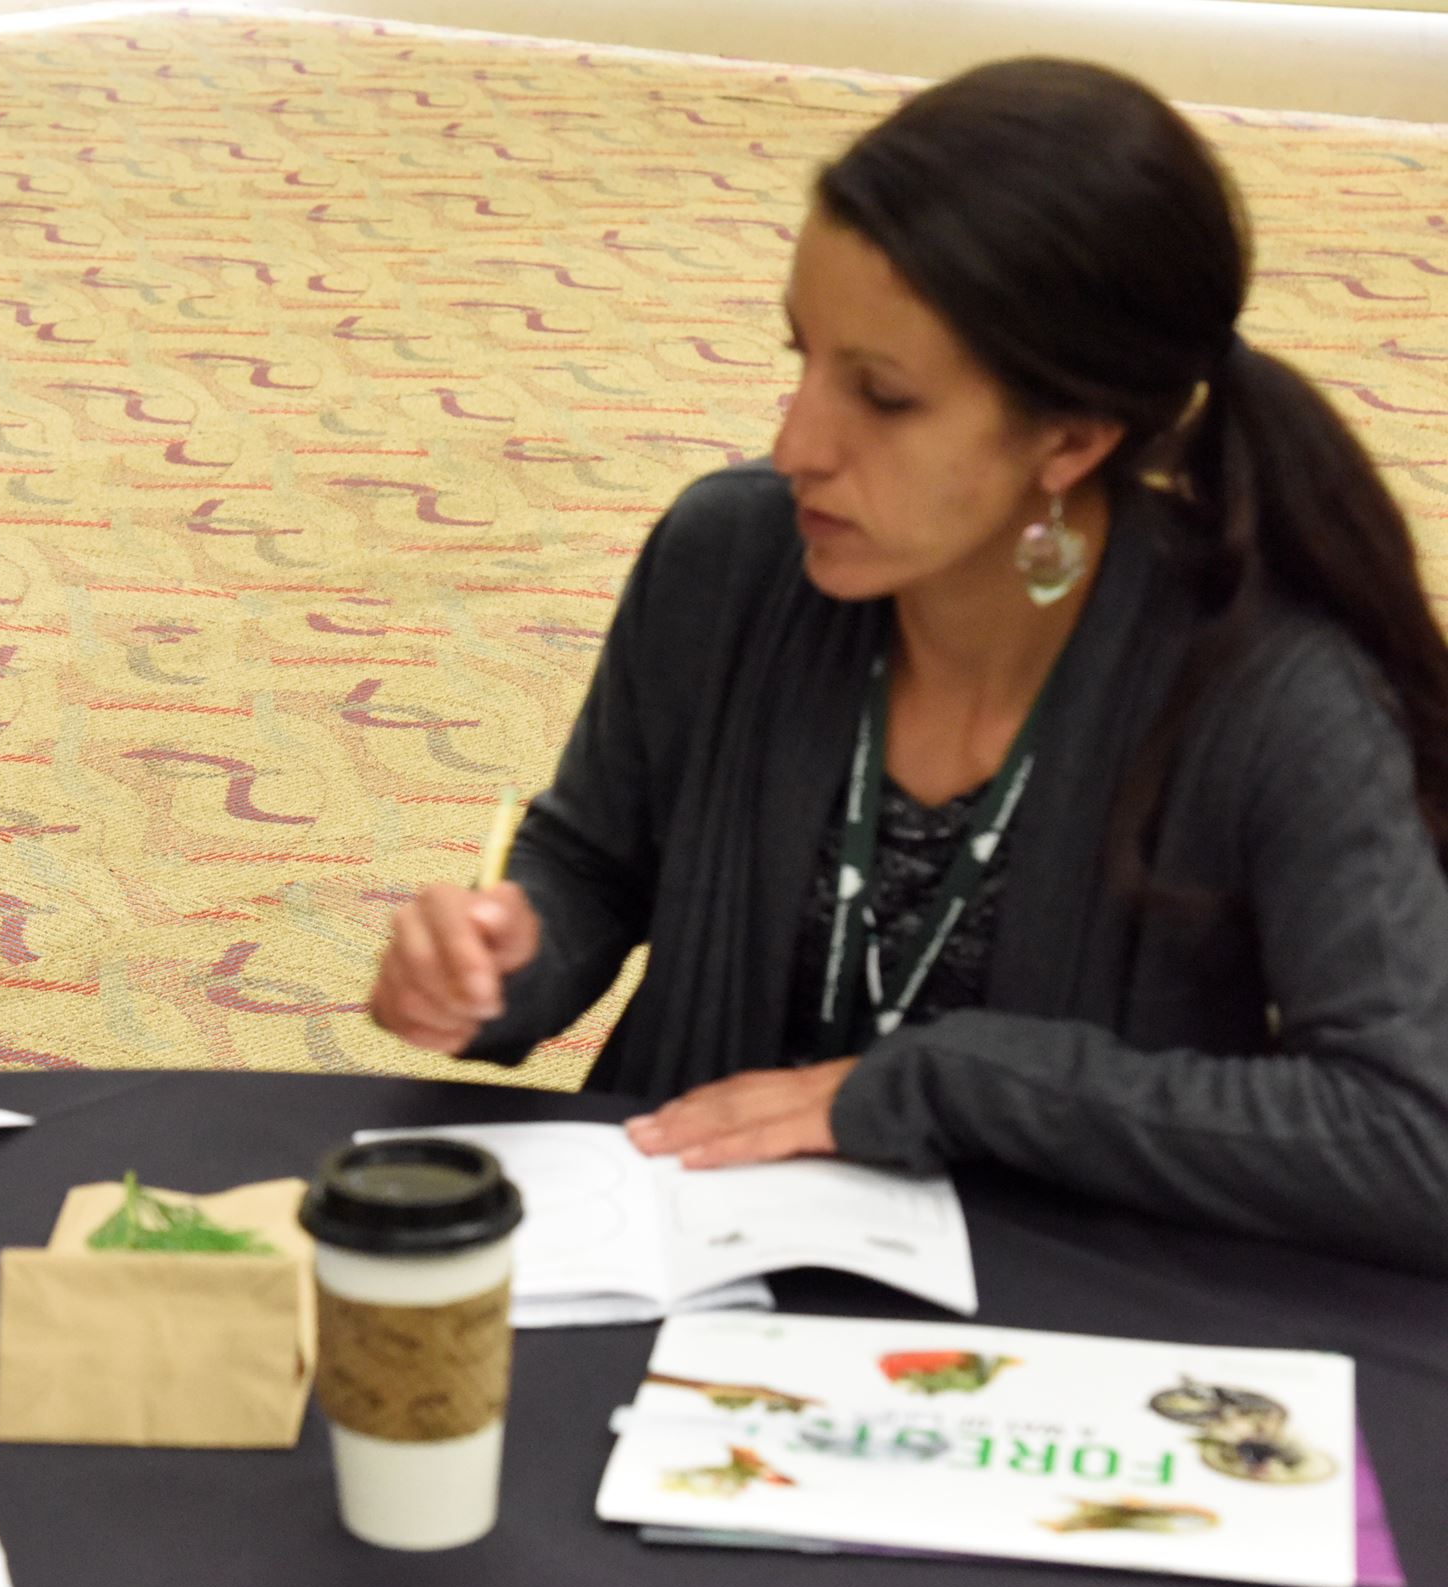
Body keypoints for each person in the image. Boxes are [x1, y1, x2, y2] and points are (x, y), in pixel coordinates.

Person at [368, 59, 1448, 1273]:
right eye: (802, 358)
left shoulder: (1271, 690)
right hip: (685, 1269)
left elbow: (1410, 1136)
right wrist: (499, 955)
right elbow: (592, 857)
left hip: (1060, 1332)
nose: (793, 446)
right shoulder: (727, 562)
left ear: (1072, 437)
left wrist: (945, 1084)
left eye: (880, 397)